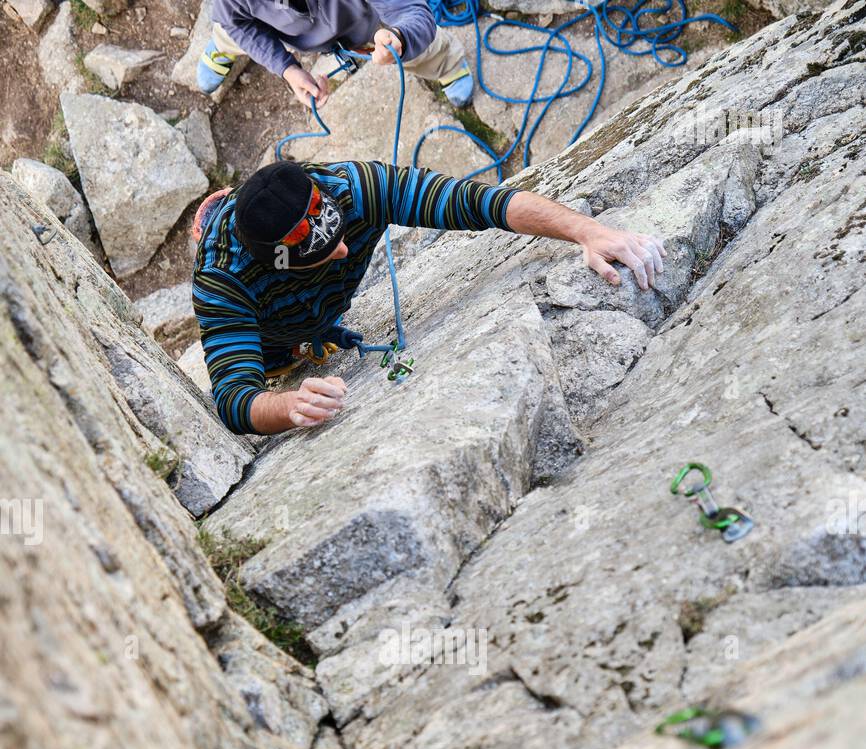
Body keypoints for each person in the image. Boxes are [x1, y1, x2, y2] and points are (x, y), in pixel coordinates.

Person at [191, 159, 665, 437]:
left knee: (315, 322)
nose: (342, 250)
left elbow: (478, 202)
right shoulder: (223, 283)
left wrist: (586, 231)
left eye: (341, 236)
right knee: (275, 355)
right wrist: (288, 405)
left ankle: (309, 326)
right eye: (321, 254)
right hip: (270, 322)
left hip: (308, 300)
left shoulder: (357, 187)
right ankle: (214, 216)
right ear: (277, 262)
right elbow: (234, 398)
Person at [197, 0, 474, 109]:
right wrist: (287, 69)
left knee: (417, 47)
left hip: (363, 25)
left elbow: (413, 12)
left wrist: (400, 38)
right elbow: (236, 21)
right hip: (276, 25)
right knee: (229, 31)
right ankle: (223, 49)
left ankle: (447, 65)